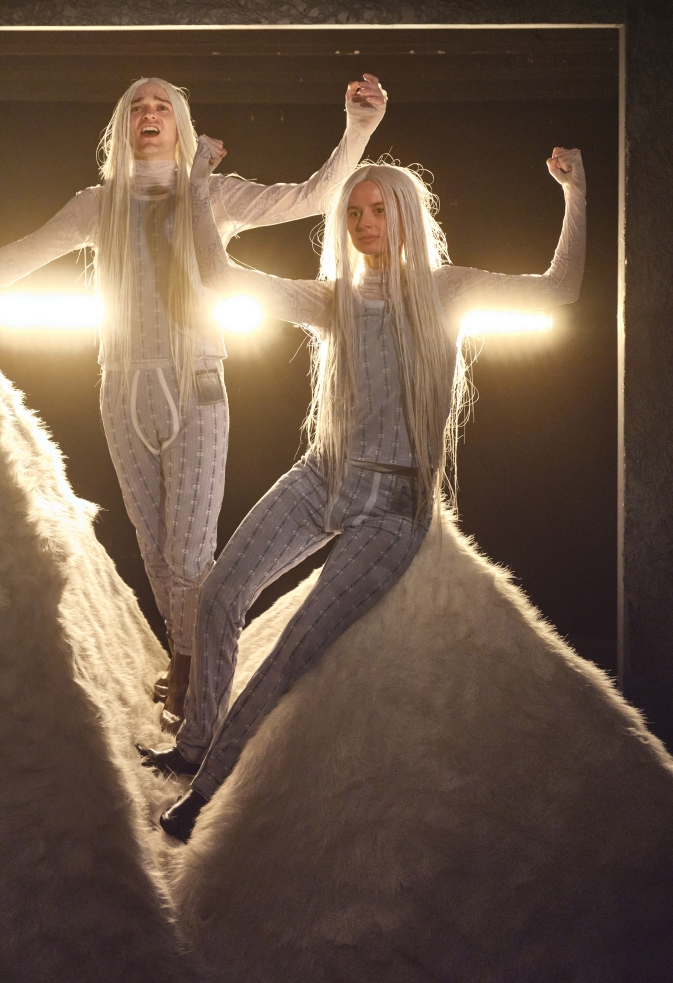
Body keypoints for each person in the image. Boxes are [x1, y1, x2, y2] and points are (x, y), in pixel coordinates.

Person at [139, 145, 587, 842]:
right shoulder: (336, 299)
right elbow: (222, 277)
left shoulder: (448, 291)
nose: (364, 221)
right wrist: (198, 186)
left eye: (378, 210)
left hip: (394, 507)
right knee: (221, 591)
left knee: (293, 645)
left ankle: (204, 792)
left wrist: (575, 191)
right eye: (353, 211)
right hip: (326, 473)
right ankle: (194, 741)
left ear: (406, 215)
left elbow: (559, 288)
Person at [0, 75, 388, 726]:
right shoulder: (97, 205)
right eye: (136, 108)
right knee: (153, 546)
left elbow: (312, 196)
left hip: (196, 385)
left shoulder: (214, 195)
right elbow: (27, 253)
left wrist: (359, 128)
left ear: (179, 123)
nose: (148, 114)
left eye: (160, 107)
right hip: (121, 389)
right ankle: (185, 654)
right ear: (123, 128)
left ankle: (190, 674)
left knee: (187, 554)